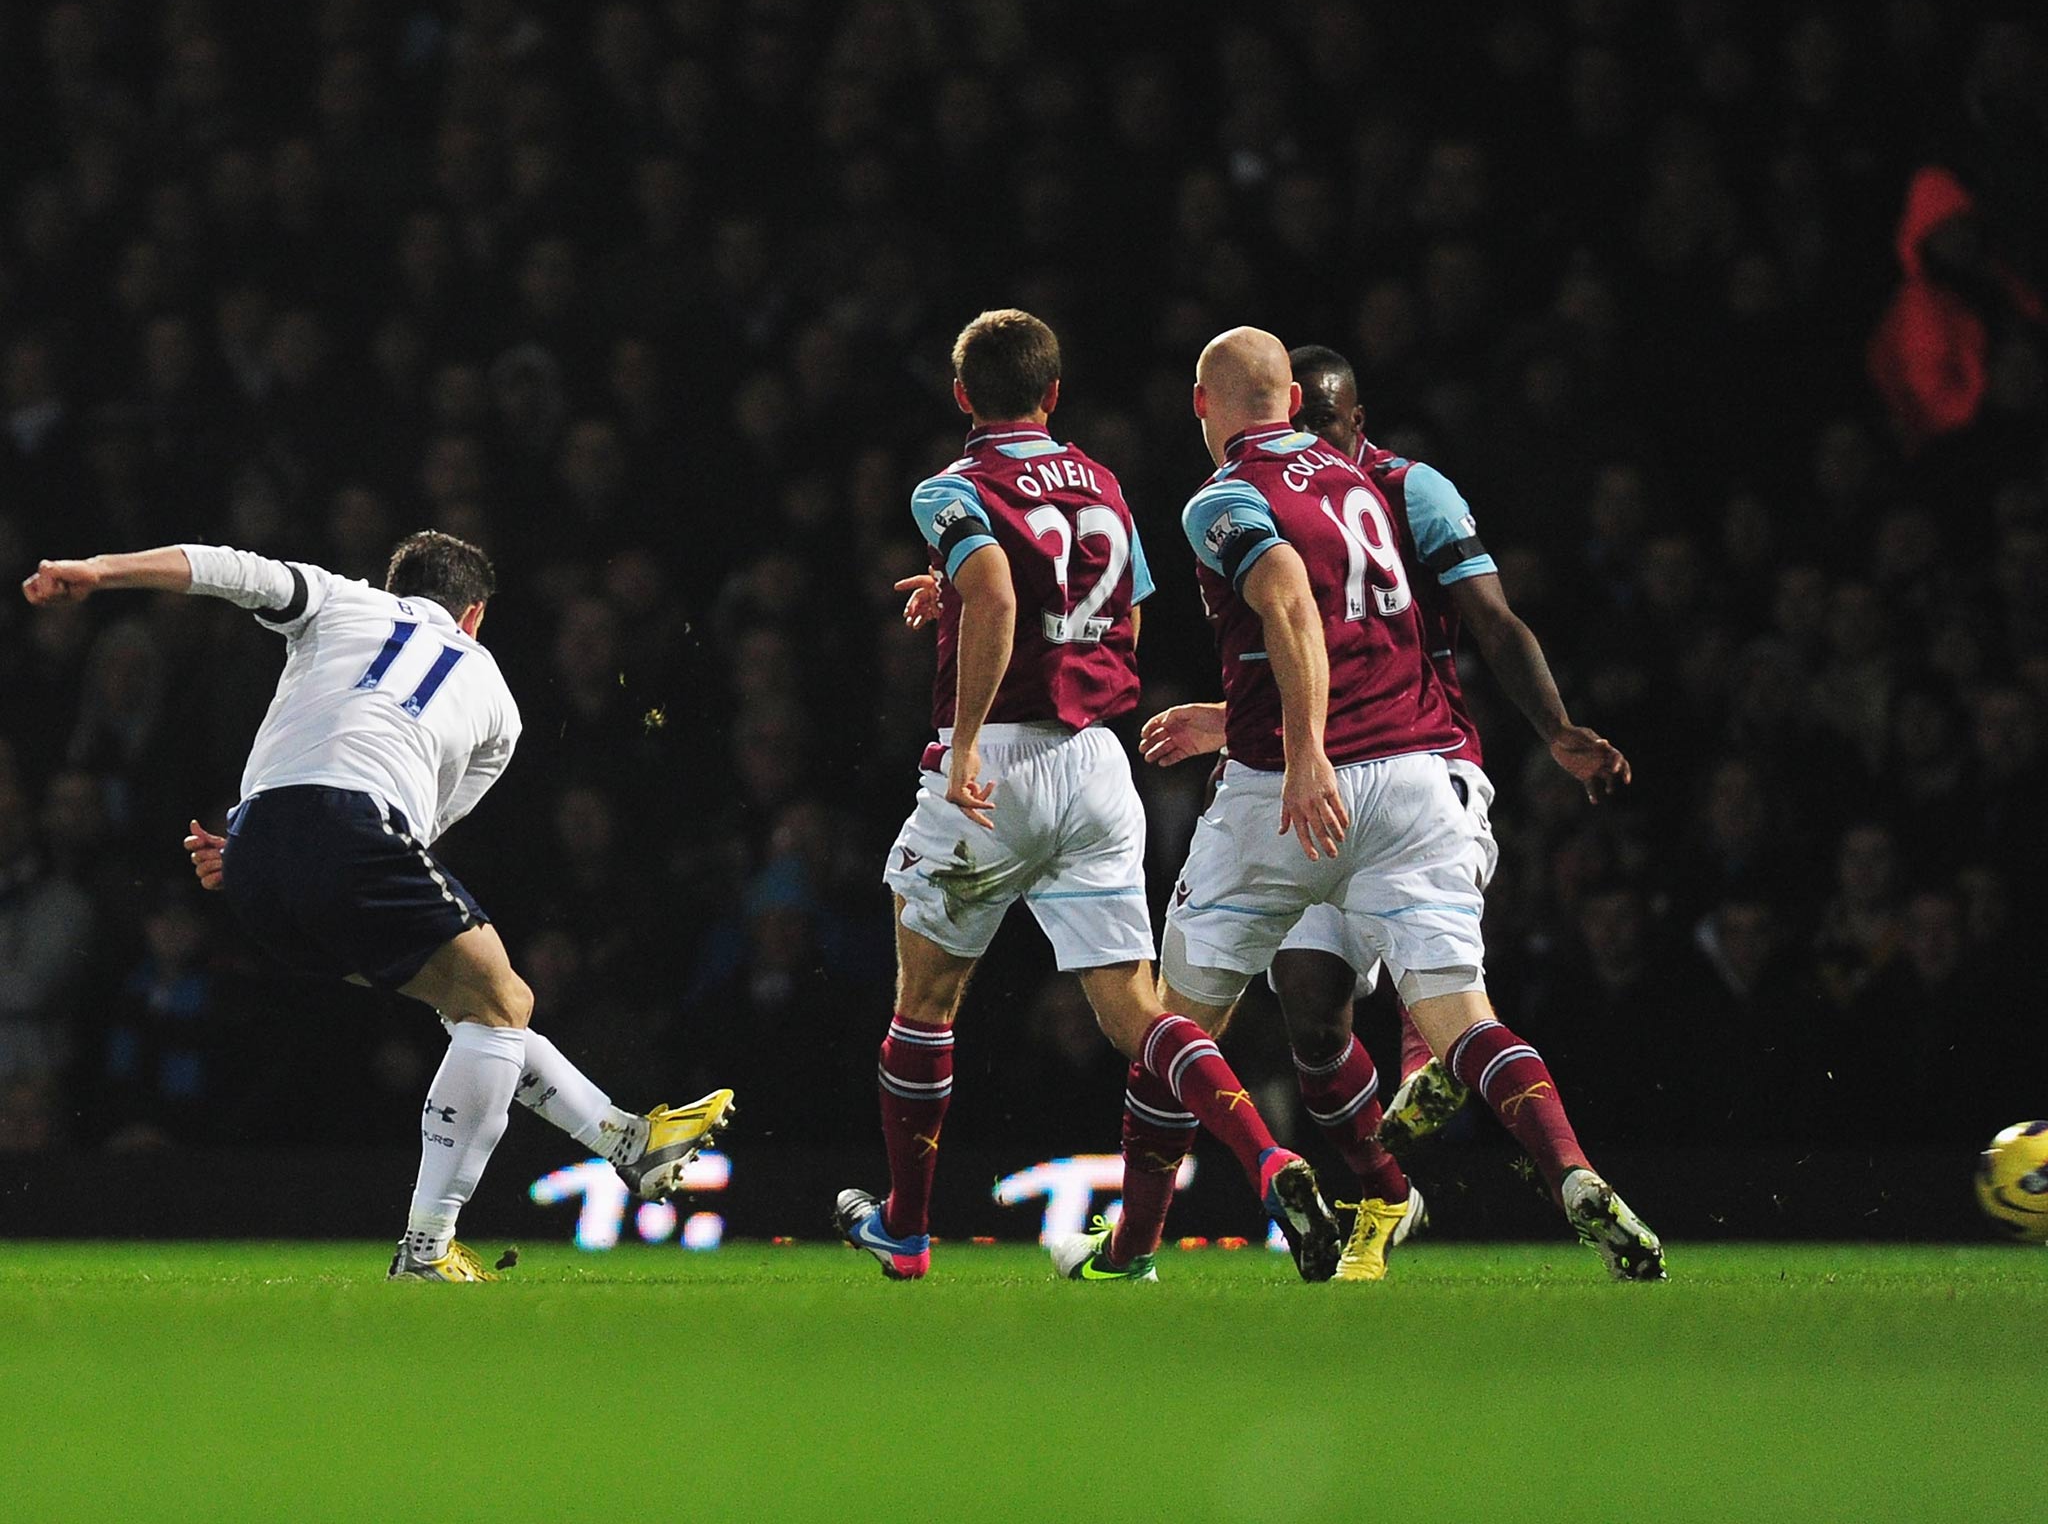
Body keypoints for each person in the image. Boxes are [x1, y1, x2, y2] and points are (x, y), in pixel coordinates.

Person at [21, 532, 734, 1281]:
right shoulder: (497, 700)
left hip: (255, 851)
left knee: (478, 1005)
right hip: (356, 830)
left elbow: (223, 568)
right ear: (475, 616)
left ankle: (630, 1142)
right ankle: (427, 1245)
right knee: (500, 1002)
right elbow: (422, 829)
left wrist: (100, 572)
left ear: (396, 585)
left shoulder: (338, 598)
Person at [1107, 326, 1662, 1283]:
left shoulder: (1224, 499)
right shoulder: (1369, 486)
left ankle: (1146, 1240)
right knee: (1463, 1021)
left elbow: (1285, 601)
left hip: (1293, 791)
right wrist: (1232, 711)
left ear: (1205, 404)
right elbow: (1371, 636)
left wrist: (1305, 751)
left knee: (1172, 1029)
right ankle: (1568, 1170)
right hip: (1415, 776)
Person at [835, 309, 1340, 1283]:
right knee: (1136, 1013)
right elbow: (1117, 612)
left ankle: (903, 1228)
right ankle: (1268, 1159)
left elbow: (996, 594)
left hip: (999, 762)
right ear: (1053, 394)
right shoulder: (1102, 484)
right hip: (1096, 763)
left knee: (926, 1002)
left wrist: (971, 739)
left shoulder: (954, 485)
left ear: (961, 397)